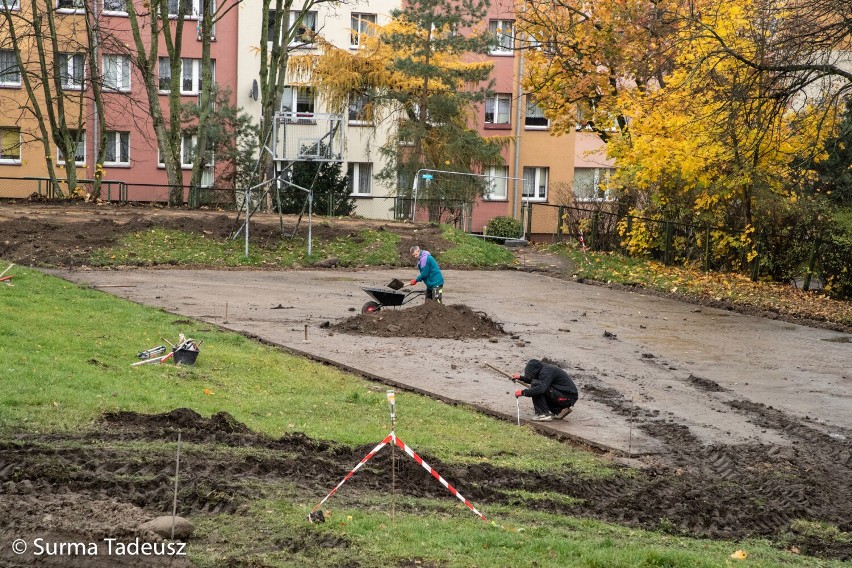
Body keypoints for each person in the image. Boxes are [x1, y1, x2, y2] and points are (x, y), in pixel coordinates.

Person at [512, 359, 578, 421]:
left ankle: (543, 414)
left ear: (534, 371)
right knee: (538, 385)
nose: (529, 376)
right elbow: (535, 379)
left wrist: (523, 392)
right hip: (564, 396)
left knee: (537, 386)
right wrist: (521, 378)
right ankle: (560, 410)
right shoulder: (543, 369)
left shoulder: (546, 372)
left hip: (567, 398)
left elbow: (540, 389)